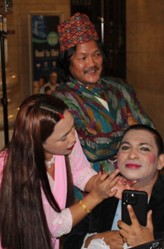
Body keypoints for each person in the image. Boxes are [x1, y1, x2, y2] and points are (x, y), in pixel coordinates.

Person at [0, 95, 124, 249]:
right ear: (37, 142)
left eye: (73, 129)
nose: (72, 138)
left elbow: (79, 171)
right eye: (64, 137)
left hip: (45, 244)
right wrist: (94, 198)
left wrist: (106, 184)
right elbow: (55, 226)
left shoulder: (64, 134)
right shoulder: (20, 173)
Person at [64, 125, 164, 249]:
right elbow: (69, 244)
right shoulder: (106, 190)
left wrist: (150, 246)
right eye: (126, 147)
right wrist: (96, 240)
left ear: (160, 161)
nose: (132, 155)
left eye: (144, 148)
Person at [53, 13, 153, 176]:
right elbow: (91, 148)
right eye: (82, 58)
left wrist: (105, 137)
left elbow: (150, 131)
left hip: (135, 182)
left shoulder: (121, 87)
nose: (91, 63)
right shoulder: (62, 98)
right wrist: (131, 129)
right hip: (93, 190)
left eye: (96, 55)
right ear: (67, 63)